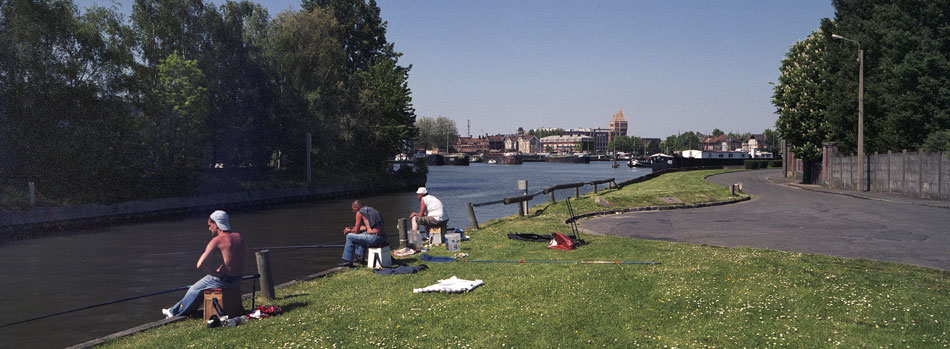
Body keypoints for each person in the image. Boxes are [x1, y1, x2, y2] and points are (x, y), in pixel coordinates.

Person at [162, 210, 248, 318]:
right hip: (238, 279)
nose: (209, 228)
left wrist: (216, 274)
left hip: (224, 280)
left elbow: (200, 264)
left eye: (209, 225)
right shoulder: (238, 236)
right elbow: (242, 255)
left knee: (194, 289)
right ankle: (174, 309)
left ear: (215, 224)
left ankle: (175, 313)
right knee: (201, 289)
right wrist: (223, 267)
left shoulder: (216, 240)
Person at [339, 200, 387, 267]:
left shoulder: (359, 213)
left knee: (349, 236)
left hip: (374, 238)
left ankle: (348, 261)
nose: (353, 211)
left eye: (353, 209)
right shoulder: (372, 210)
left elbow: (356, 231)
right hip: (383, 237)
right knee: (363, 234)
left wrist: (348, 231)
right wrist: (352, 228)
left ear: (356, 208)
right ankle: (360, 259)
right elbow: (365, 227)